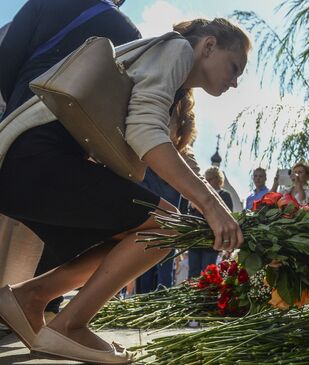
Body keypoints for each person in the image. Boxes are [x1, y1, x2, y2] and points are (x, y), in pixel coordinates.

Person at [0, 17, 250, 364]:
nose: (236, 82)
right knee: (166, 224)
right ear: (208, 45)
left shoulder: (173, 77)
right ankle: (68, 325)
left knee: (139, 235)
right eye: (234, 66)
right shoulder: (176, 49)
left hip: (28, 166)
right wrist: (210, 204)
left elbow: (152, 136)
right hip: (37, 159)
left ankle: (30, 298)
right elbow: (144, 132)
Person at [0, 0, 142, 321]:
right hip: (66, 140)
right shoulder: (125, 30)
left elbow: (6, 58)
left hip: (14, 123)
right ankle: (37, 306)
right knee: (52, 226)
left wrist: (19, 103)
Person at [135, 92, 198, 294]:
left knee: (165, 259)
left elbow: (194, 173)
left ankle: (157, 299)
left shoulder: (183, 150)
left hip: (169, 199)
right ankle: (142, 301)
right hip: (148, 185)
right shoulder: (161, 94)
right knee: (142, 252)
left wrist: (203, 199)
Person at [188, 166, 232, 278]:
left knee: (208, 275)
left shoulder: (224, 195)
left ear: (218, 179)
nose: (206, 182)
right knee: (192, 275)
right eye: (205, 179)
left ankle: (206, 296)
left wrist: (199, 206)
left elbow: (224, 217)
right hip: (196, 242)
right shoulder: (200, 195)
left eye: (210, 179)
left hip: (211, 243)